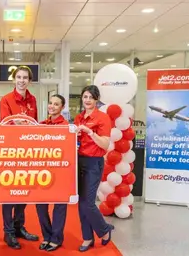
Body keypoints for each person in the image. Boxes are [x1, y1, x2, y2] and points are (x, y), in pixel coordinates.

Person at [0, 66, 40, 249]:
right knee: (9, 194)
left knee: (24, 192)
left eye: (25, 78)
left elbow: (35, 125)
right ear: (14, 79)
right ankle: (8, 232)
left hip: (28, 152)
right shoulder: (6, 100)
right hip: (11, 152)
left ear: (29, 81)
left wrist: (22, 124)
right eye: (19, 77)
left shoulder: (33, 100)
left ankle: (18, 227)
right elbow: (6, 124)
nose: (22, 80)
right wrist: (21, 123)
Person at [73, 85, 115, 252]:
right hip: (79, 161)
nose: (87, 100)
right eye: (85, 97)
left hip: (93, 162)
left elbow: (105, 144)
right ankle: (87, 238)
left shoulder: (103, 118)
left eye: (91, 97)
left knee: (88, 203)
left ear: (96, 100)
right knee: (80, 204)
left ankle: (105, 230)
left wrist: (90, 132)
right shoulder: (78, 117)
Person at [35, 94, 69, 252]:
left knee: (59, 207)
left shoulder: (67, 127)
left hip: (60, 171)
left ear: (62, 107)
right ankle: (47, 236)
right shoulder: (41, 125)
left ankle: (56, 238)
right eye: (50, 103)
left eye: (56, 104)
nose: (52, 106)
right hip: (42, 171)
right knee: (40, 205)